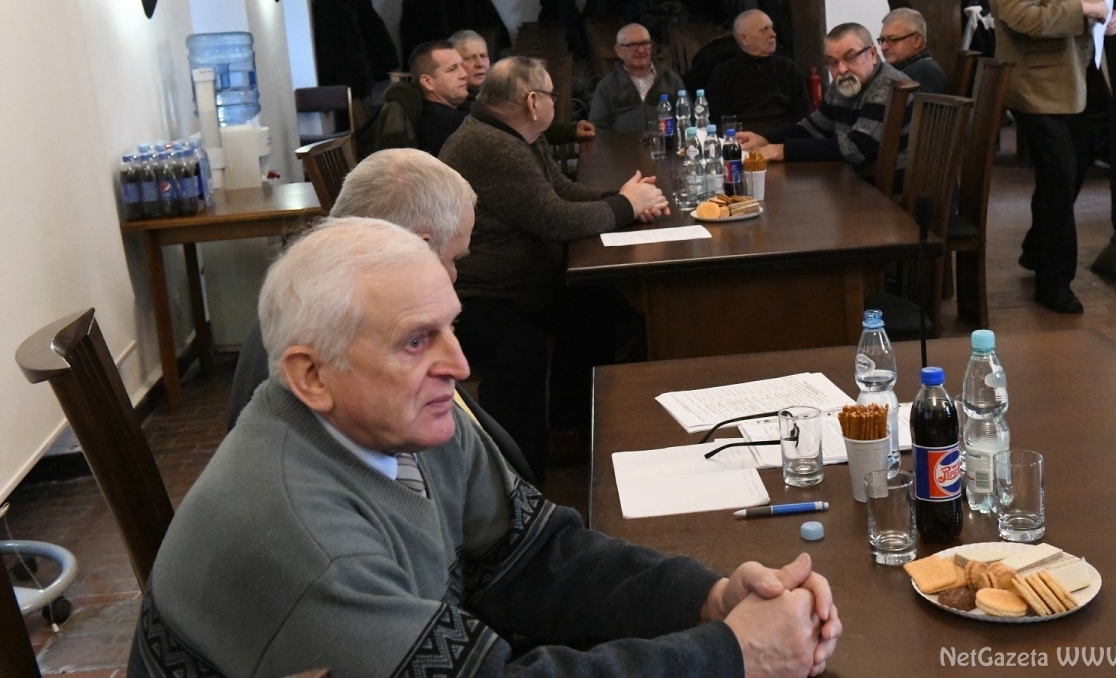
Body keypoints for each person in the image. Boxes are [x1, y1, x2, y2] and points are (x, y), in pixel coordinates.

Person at [132, 217, 842, 678]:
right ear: (311, 376)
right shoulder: (306, 540)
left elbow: (535, 557)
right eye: (417, 341)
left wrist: (707, 599)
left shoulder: (403, 417)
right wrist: (735, 653)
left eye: (452, 327)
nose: (459, 364)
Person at [223, 150, 541, 479]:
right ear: (421, 247)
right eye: (454, 259)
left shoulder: (313, 295)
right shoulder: (338, 331)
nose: (454, 275)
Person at [441, 57, 668, 478]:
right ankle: (519, 477)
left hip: (522, 282)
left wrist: (621, 200)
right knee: (521, 352)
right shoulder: (492, 146)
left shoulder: (518, 135)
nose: (555, 103)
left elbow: (558, 191)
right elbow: (555, 220)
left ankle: (573, 427)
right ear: (532, 102)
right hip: (482, 294)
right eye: (551, 95)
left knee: (600, 305)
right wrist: (624, 205)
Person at [988, 0, 1116, 315]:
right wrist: (1083, 9)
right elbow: (1019, 16)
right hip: (1039, 84)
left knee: (1074, 169)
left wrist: (1107, 15)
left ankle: (1035, 247)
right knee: (1060, 180)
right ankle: (1054, 283)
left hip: (1079, 77)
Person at [738, 23, 907, 186]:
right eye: (833, 62)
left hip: (882, 193)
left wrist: (783, 150)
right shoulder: (842, 85)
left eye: (850, 57)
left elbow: (855, 149)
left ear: (872, 54)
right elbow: (814, 128)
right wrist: (765, 140)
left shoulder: (888, 86)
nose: (841, 69)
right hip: (850, 181)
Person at [453, 29, 595, 139]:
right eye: (469, 58)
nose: (480, 64)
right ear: (454, 64)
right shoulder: (456, 107)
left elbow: (527, 122)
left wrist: (572, 131)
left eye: (483, 56)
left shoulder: (493, 92)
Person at [705, 9, 809, 134]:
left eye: (771, 28)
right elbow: (720, 123)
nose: (773, 34)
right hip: (743, 139)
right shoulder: (723, 74)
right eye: (764, 30)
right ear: (744, 39)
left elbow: (804, 117)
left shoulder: (788, 68)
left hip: (784, 139)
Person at [588, 23, 685, 132]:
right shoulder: (607, 86)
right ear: (619, 50)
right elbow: (596, 128)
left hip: (666, 141)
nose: (641, 50)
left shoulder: (670, 79)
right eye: (633, 45)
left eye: (645, 43)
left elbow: (687, 119)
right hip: (622, 143)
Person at [410, 39, 469, 155]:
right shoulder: (450, 124)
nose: (464, 74)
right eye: (452, 69)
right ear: (427, 82)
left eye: (462, 66)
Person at [878, 7, 950, 95]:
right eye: (882, 40)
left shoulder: (926, 74)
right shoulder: (910, 69)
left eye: (893, 39)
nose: (883, 47)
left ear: (917, 40)